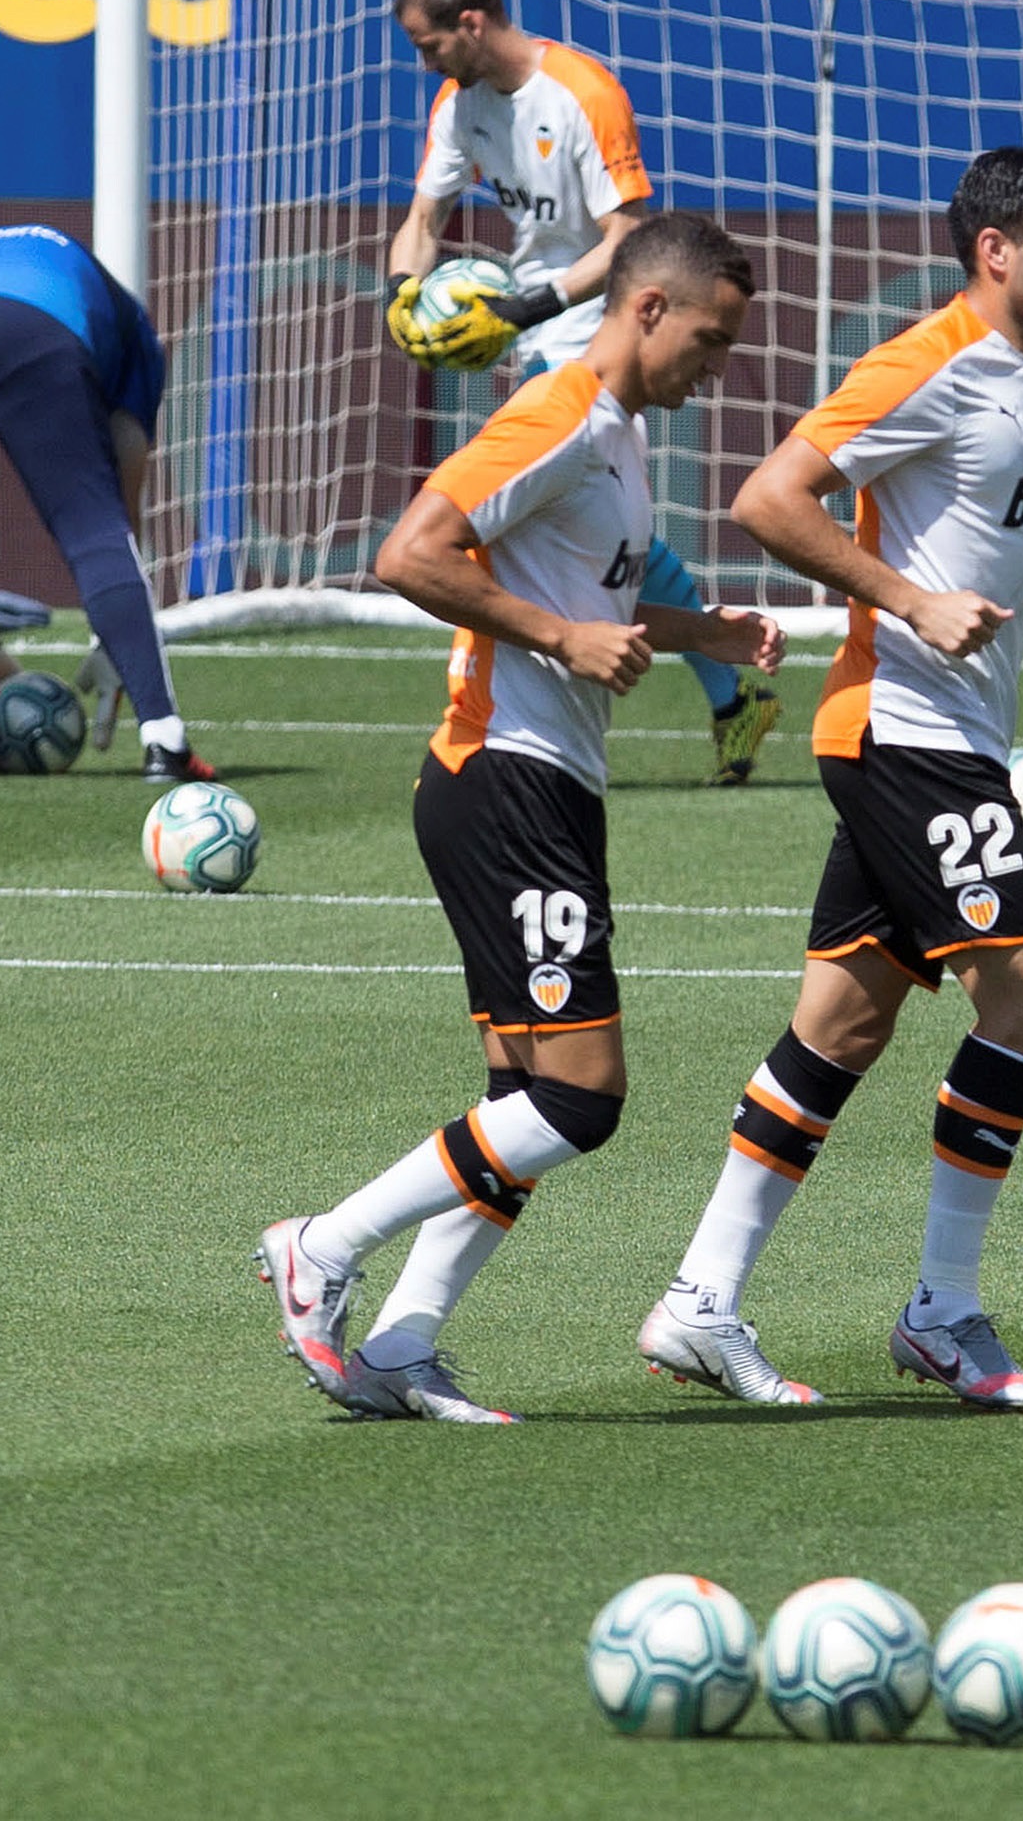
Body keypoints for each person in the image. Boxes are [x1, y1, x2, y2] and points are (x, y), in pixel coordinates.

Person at [640, 148, 1023, 1411]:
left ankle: (699, 1301)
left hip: (958, 732)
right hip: (900, 728)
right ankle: (943, 1311)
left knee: (843, 1023)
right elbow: (768, 498)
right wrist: (908, 600)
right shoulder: (924, 360)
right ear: (996, 249)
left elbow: (1008, 536)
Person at [259, 212, 782, 1425]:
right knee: (578, 1100)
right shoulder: (556, 412)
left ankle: (402, 1343)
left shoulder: (619, 433)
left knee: (518, 1105)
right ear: (647, 308)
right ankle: (321, 1247)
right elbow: (411, 552)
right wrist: (558, 639)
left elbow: (583, 596)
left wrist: (713, 632)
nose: (719, 368)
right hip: (503, 779)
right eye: (711, 339)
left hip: (545, 785)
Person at [380, 0, 785, 787]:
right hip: (531, 332)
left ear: (470, 23)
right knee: (590, 520)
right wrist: (402, 293)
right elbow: (425, 216)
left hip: (594, 328)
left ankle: (483, 709)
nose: (424, 65)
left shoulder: (580, 93)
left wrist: (533, 305)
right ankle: (727, 681)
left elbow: (629, 239)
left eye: (428, 46)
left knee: (499, 528)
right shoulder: (458, 106)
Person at [0, 221, 209, 782]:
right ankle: (164, 741)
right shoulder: (137, 338)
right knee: (91, 528)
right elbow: (118, 505)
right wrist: (115, 641)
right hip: (32, 317)